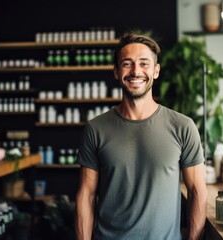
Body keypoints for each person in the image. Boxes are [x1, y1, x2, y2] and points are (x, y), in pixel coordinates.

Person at [75, 31, 207, 240]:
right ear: (116, 72)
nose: (136, 71)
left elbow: (197, 192)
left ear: (156, 71)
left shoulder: (183, 126)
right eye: (127, 63)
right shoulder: (95, 129)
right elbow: (86, 196)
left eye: (144, 64)